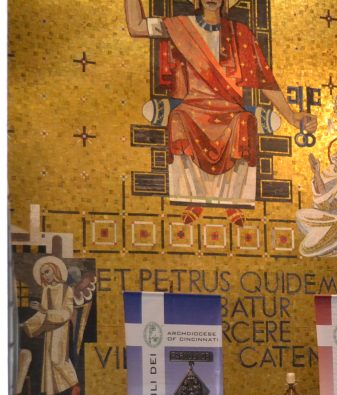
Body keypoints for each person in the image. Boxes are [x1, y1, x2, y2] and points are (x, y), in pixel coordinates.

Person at [124, 0, 316, 226]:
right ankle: (194, 198)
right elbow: (137, 26)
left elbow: (264, 79)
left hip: (230, 108)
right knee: (178, 120)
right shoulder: (179, 26)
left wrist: (291, 115)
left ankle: (233, 200)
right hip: (193, 106)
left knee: (244, 123)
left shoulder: (239, 33)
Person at [20, 256, 82, 395]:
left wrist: (45, 311)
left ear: (54, 270)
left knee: (57, 358)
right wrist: (27, 324)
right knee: (48, 360)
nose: (45, 276)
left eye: (47, 271)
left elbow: (67, 313)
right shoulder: (46, 290)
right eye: (43, 274)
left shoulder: (67, 289)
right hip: (49, 328)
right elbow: (42, 313)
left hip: (61, 328)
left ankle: (75, 386)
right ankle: (51, 392)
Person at [297, 138, 337, 257]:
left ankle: (332, 237)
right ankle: (322, 233)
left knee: (307, 249)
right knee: (300, 215)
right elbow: (320, 192)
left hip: (334, 219)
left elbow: (333, 205)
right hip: (322, 213)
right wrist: (316, 172)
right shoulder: (328, 170)